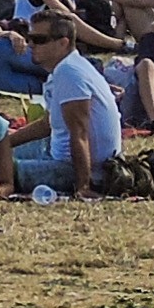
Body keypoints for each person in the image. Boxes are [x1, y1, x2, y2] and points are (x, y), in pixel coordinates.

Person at [11, 12, 121, 197]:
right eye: (30, 38)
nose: (31, 45)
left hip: (76, 168)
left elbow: (79, 133)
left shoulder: (69, 73)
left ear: (63, 42)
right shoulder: (65, 67)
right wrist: (3, 143)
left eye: (39, 39)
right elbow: (47, 124)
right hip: (55, 151)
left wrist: (83, 187)